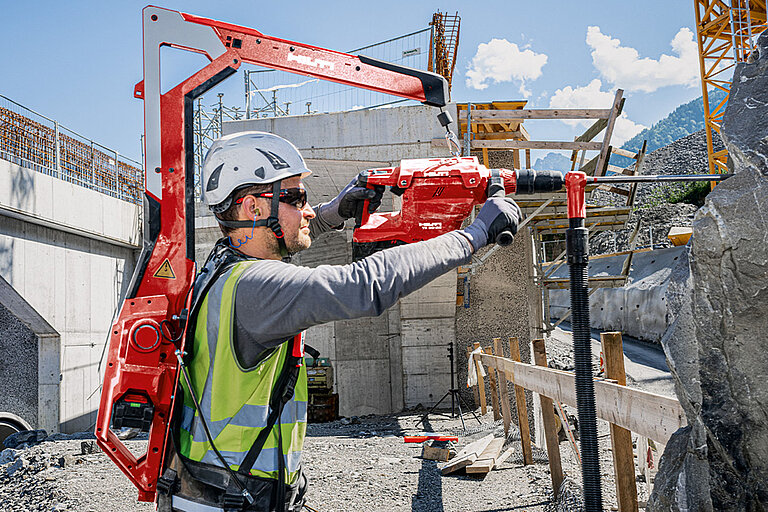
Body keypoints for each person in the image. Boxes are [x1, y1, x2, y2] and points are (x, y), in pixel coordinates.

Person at [157, 131, 521, 512]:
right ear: (252, 207)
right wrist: (474, 235)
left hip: (215, 489)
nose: (308, 210)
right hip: (233, 499)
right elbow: (363, 286)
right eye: (297, 198)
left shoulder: (223, 268)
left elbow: (278, 238)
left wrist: (336, 212)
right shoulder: (254, 288)